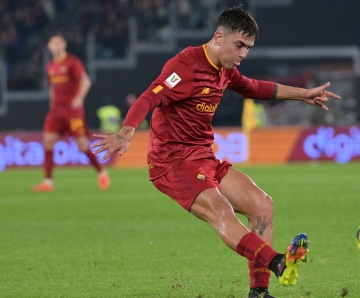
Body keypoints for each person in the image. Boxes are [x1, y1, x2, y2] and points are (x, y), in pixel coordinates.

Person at [92, 5, 340, 298]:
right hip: (171, 163)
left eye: (247, 48)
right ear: (218, 37)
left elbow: (253, 87)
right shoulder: (184, 65)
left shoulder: (224, 70)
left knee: (262, 204)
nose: (243, 54)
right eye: (240, 45)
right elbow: (149, 97)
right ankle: (277, 262)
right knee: (220, 209)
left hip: (203, 157)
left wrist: (302, 95)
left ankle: (259, 293)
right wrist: (126, 132)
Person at [32, 33, 110, 192]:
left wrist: (79, 98)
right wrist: (52, 104)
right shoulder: (50, 67)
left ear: (64, 45)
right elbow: (53, 88)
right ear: (49, 47)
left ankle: (101, 172)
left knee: (82, 146)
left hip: (73, 112)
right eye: (53, 44)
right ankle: (48, 181)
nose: (57, 46)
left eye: (59, 43)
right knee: (48, 141)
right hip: (56, 112)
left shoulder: (72, 62)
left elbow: (85, 81)